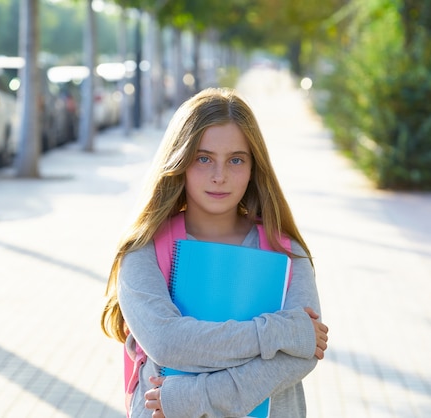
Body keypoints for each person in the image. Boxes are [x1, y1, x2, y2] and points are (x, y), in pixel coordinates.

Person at [101, 87, 328, 418]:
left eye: (236, 160)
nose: (219, 176)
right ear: (179, 161)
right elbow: (168, 343)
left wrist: (195, 397)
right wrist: (279, 332)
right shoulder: (143, 250)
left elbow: (304, 352)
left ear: (254, 168)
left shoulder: (285, 250)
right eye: (203, 158)